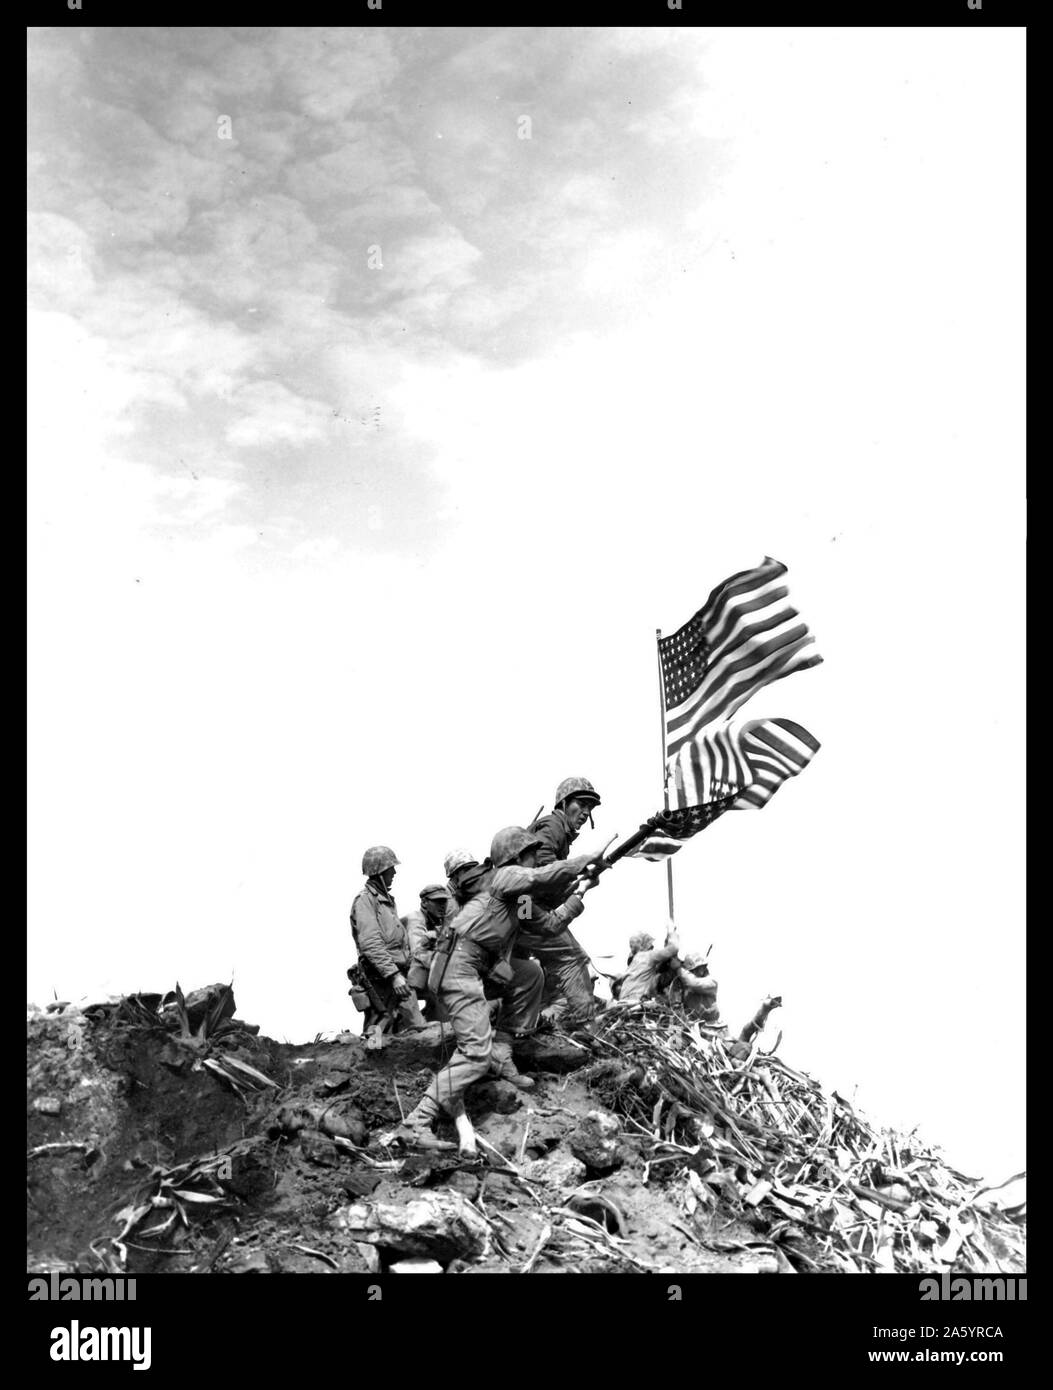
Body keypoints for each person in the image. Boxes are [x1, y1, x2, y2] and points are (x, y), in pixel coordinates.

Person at [396, 827, 599, 1153]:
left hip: (481, 966)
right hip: (458, 967)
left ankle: (502, 1053)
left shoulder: (517, 898)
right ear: (516, 858)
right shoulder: (503, 878)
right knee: (476, 1055)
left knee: (529, 972)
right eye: (532, 855)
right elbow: (539, 878)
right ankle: (416, 1123)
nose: (535, 861)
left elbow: (548, 926)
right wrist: (585, 861)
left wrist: (580, 892)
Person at [514, 777, 603, 1030]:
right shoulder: (553, 826)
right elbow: (541, 868)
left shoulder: (556, 831)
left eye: (590, 808)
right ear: (564, 803)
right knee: (572, 959)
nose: (586, 813)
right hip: (525, 907)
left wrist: (575, 882)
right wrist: (576, 873)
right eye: (581, 804)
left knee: (533, 972)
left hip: (520, 907)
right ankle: (588, 1027)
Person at [350, 845, 425, 1050]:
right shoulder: (366, 901)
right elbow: (370, 944)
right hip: (381, 978)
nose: (394, 872)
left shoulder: (385, 902)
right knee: (379, 1028)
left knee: (414, 1026)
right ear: (379, 872)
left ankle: (403, 1070)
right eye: (390, 868)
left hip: (397, 973)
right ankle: (369, 1071)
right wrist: (393, 975)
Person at [401, 885, 449, 1021]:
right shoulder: (415, 919)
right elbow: (418, 953)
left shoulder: (438, 920)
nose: (442, 906)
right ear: (424, 903)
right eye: (437, 902)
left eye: (444, 902)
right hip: (400, 975)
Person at [617, 924, 681, 1004]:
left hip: (623, 1001)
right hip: (637, 1001)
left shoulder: (634, 962)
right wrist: (672, 932)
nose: (652, 947)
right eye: (650, 945)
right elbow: (673, 948)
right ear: (644, 944)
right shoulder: (648, 956)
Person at [672, 952, 721, 1023]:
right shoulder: (685, 983)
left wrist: (679, 969)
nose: (699, 971)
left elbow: (694, 983)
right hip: (692, 1023)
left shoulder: (712, 982)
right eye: (694, 970)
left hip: (711, 1024)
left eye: (701, 968)